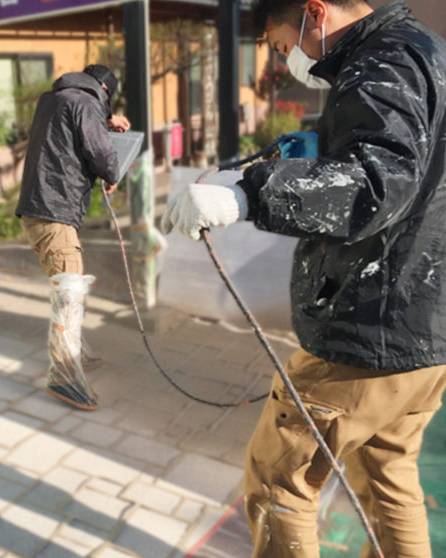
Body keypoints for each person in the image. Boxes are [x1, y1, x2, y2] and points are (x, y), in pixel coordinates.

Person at [160, 0, 446, 556]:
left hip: (370, 330)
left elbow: (375, 181)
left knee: (278, 479)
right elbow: (413, 165)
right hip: (427, 327)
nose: (284, 58)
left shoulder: (380, 61)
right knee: (387, 476)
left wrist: (248, 194)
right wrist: (318, 156)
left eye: (279, 42)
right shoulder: (425, 49)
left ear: (315, 13)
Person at [16, 64, 130, 411]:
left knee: (68, 286)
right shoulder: (85, 104)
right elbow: (99, 153)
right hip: (55, 213)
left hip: (39, 209)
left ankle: (77, 354)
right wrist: (113, 172)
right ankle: (64, 378)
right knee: (69, 295)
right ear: (105, 91)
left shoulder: (53, 99)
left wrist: (106, 120)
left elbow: (72, 130)